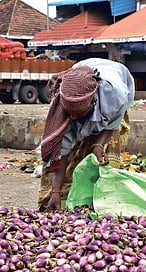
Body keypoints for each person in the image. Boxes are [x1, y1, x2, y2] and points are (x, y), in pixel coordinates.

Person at [38, 58, 135, 212]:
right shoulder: (60, 105)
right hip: (81, 72)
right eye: (71, 114)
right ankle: (55, 199)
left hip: (117, 80)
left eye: (78, 113)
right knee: (59, 153)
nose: (74, 118)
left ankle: (96, 201)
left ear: (93, 101)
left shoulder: (115, 97)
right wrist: (55, 192)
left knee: (104, 155)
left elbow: (112, 125)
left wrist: (98, 144)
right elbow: (60, 154)